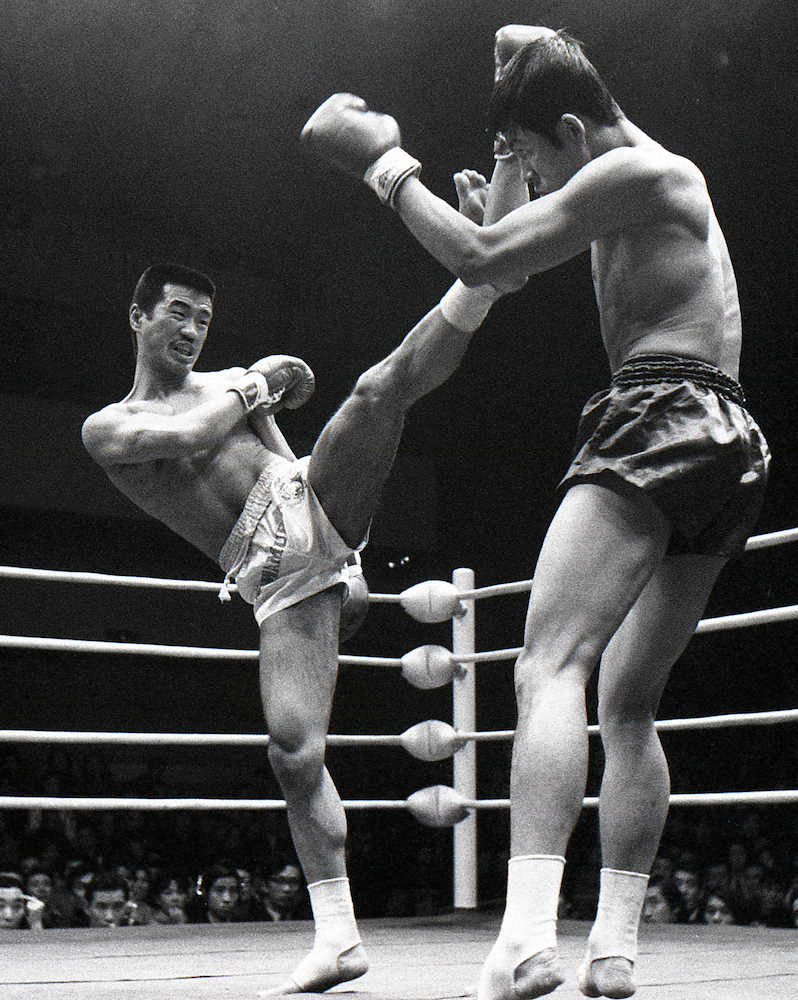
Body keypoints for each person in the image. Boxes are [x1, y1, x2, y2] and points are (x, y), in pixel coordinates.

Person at [300, 22, 771, 1000]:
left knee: (547, 663)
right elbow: (517, 53)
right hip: (725, 436)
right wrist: (510, 152)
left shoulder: (637, 172)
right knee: (627, 703)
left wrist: (382, 163)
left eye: (538, 154)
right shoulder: (626, 176)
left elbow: (481, 256)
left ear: (573, 130)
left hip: (662, 408)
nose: (540, 176)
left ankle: (522, 941)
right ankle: (614, 949)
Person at [82, 200, 518, 989]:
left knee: (376, 393)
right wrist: (260, 381)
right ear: (138, 317)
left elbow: (288, 464)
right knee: (294, 754)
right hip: (271, 578)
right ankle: (339, 939)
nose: (192, 330)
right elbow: (190, 438)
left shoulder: (229, 384)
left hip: (306, 506)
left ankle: (483, 277)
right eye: (177, 313)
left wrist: (351, 564)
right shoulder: (108, 427)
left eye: (203, 319)